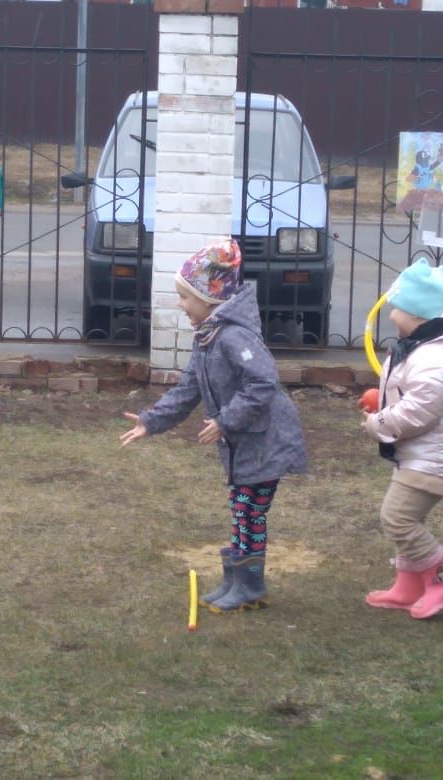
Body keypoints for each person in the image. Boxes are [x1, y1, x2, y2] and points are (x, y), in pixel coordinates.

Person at [119, 239, 307, 613]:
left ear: (209, 299)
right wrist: (151, 421)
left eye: (185, 297)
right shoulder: (208, 337)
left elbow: (263, 382)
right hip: (244, 445)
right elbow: (189, 387)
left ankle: (249, 586)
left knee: (249, 511)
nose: (180, 304)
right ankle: (237, 580)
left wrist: (224, 420)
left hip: (266, 443)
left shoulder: (234, 336)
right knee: (242, 509)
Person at [361, 258, 443, 620]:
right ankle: (409, 586)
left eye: (395, 307)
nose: (389, 315)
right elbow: (412, 395)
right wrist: (378, 399)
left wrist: (377, 423)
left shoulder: (437, 357)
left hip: (437, 458)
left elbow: (417, 413)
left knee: (398, 517)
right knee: (400, 516)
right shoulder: (420, 346)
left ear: (416, 314)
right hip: (422, 454)